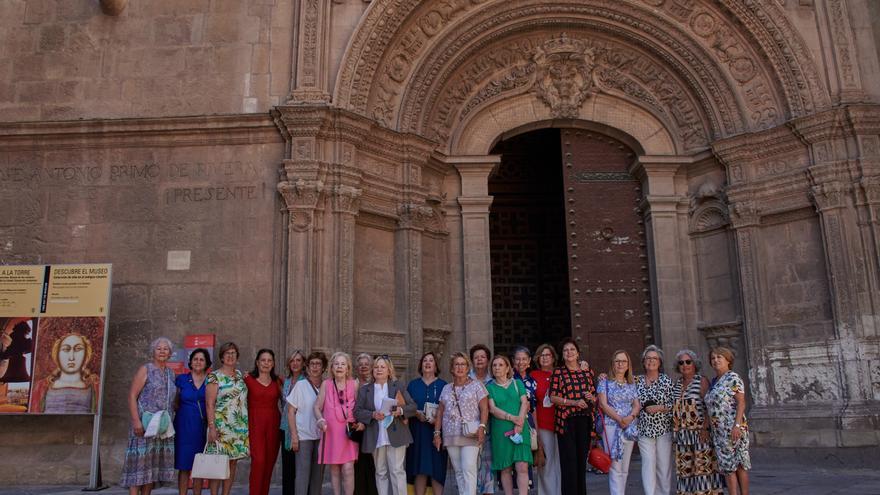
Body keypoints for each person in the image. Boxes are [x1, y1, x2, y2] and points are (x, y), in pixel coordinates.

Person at [120, 337, 177, 495]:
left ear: (170, 353)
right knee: (138, 466)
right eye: (159, 348)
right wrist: (136, 421)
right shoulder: (146, 369)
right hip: (144, 425)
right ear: (153, 351)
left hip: (161, 427)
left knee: (151, 468)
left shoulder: (171, 374)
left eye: (165, 349)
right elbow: (132, 395)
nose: (162, 351)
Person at [355, 356, 417, 495]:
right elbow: (357, 411)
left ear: (389, 371)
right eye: (376, 367)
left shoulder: (398, 386)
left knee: (397, 471)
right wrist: (372, 415)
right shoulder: (365, 390)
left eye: (382, 367)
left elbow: (412, 407)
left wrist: (400, 410)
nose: (379, 370)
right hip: (376, 436)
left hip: (396, 434)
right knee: (380, 472)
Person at [433, 352, 488, 495]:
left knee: (468, 468)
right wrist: (437, 433)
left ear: (468, 367)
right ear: (452, 368)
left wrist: (482, 427)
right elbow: (440, 412)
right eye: (456, 364)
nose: (460, 367)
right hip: (451, 434)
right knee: (458, 471)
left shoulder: (477, 386)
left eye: (463, 364)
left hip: (471, 433)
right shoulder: (446, 388)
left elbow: (484, 409)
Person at [671, 349, 722, 495]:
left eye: (688, 362)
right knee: (685, 471)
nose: (684, 365)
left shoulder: (701, 381)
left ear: (694, 364)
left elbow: (709, 406)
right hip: (682, 435)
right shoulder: (678, 384)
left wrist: (705, 428)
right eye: (681, 363)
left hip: (699, 432)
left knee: (702, 469)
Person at [548, 338, 595, 495]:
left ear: (578, 353)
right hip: (566, 422)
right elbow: (553, 397)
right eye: (566, 350)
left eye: (572, 350)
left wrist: (590, 396)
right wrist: (574, 402)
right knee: (569, 463)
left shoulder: (587, 372)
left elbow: (594, 397)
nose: (569, 353)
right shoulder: (558, 372)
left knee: (581, 462)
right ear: (562, 355)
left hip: (584, 420)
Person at [206, 342, 249, 495]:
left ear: (237, 356)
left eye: (233, 353)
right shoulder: (214, 376)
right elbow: (209, 404)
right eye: (227, 353)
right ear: (222, 357)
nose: (230, 356)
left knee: (232, 463)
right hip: (221, 427)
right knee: (218, 463)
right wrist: (212, 428)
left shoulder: (240, 375)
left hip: (238, 426)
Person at [315, 351, 361, 495]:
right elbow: (317, 407)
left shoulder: (354, 384)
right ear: (332, 368)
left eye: (343, 364)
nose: (339, 367)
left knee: (348, 469)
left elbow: (360, 408)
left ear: (348, 368)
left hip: (349, 433)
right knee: (334, 469)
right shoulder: (326, 384)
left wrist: (361, 423)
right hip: (331, 433)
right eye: (336, 364)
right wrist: (320, 419)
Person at [705, 347, 750, 495]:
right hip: (719, 431)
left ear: (728, 360)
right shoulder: (714, 381)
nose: (716, 360)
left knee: (739, 465)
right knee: (727, 467)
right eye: (713, 358)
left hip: (733, 429)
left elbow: (741, 403)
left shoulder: (733, 378)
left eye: (719, 357)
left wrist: (736, 425)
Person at [487, 355, 532, 495]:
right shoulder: (489, 387)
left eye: (500, 365)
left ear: (508, 368)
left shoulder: (517, 383)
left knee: (522, 466)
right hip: (501, 431)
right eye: (494, 365)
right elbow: (492, 409)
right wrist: (513, 418)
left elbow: (524, 403)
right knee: (505, 468)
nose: (497, 368)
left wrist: (520, 422)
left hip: (520, 429)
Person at [597, 350, 640, 495]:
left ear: (628, 365)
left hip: (628, 428)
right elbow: (603, 404)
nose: (620, 364)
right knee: (615, 467)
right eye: (617, 361)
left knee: (625, 467)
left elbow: (636, 404)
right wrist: (619, 419)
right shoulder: (605, 382)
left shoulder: (631, 383)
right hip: (611, 427)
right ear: (612, 364)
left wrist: (630, 417)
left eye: (623, 361)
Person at [406, 352, 448, 495]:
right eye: (425, 360)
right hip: (417, 432)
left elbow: (448, 410)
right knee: (420, 467)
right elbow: (406, 407)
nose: (428, 363)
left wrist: (437, 419)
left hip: (437, 433)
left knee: (437, 468)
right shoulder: (413, 385)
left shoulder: (444, 385)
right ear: (421, 365)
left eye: (431, 360)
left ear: (436, 365)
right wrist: (416, 413)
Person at [287, 351, 328, 495]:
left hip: (322, 437)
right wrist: (294, 436)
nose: (315, 367)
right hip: (304, 436)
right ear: (308, 367)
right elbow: (290, 411)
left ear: (323, 367)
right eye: (312, 364)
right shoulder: (301, 385)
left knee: (318, 476)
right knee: (302, 476)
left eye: (318, 364)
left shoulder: (327, 386)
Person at [29, 333, 100, 413]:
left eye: (78, 349)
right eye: (66, 349)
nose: (71, 357)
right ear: (57, 355)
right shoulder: (40, 387)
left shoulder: (96, 386)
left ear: (86, 355)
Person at [637, 345, 674, 495]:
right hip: (644, 431)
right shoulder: (636, 381)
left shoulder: (666, 380)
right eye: (648, 358)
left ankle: (664, 493)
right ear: (643, 361)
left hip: (664, 430)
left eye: (654, 358)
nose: (651, 361)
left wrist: (660, 407)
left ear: (659, 362)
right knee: (647, 465)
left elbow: (674, 403)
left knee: (664, 467)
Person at [245, 349, 283, 495]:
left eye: (269, 360)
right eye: (263, 360)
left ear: (273, 364)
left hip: (274, 424)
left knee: (269, 463)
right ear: (257, 362)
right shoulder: (247, 379)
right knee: (259, 461)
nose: (266, 363)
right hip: (255, 424)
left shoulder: (278, 381)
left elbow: (292, 390)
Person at [174, 348, 211, 495]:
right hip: (183, 426)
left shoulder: (211, 380)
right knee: (184, 466)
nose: (198, 362)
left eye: (201, 359)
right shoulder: (181, 379)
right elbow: (174, 401)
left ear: (206, 363)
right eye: (195, 359)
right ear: (190, 361)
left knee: (199, 465)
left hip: (201, 427)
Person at [530, 344, 560, 495]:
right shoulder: (534, 376)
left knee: (561, 463)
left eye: (548, 355)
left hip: (561, 423)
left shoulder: (561, 373)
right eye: (542, 355)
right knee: (546, 463)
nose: (545, 357)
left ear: (553, 357)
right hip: (543, 423)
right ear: (537, 358)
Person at [469, 344, 495, 495]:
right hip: (470, 428)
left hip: (491, 427)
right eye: (476, 357)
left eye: (482, 357)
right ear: (472, 360)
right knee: (471, 463)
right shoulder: (466, 379)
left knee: (488, 463)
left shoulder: (493, 380)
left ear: (488, 360)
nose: (479, 360)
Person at [281, 350, 306, 495]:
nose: (295, 363)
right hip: (285, 428)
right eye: (292, 360)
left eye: (298, 360)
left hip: (301, 428)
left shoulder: (306, 381)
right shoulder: (286, 381)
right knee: (288, 467)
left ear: (303, 363)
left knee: (300, 467)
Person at [354, 353, 379, 495]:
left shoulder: (377, 385)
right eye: (361, 364)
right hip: (357, 429)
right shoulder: (353, 384)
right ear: (357, 368)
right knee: (358, 464)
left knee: (373, 464)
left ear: (371, 367)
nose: (363, 366)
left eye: (366, 364)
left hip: (373, 428)